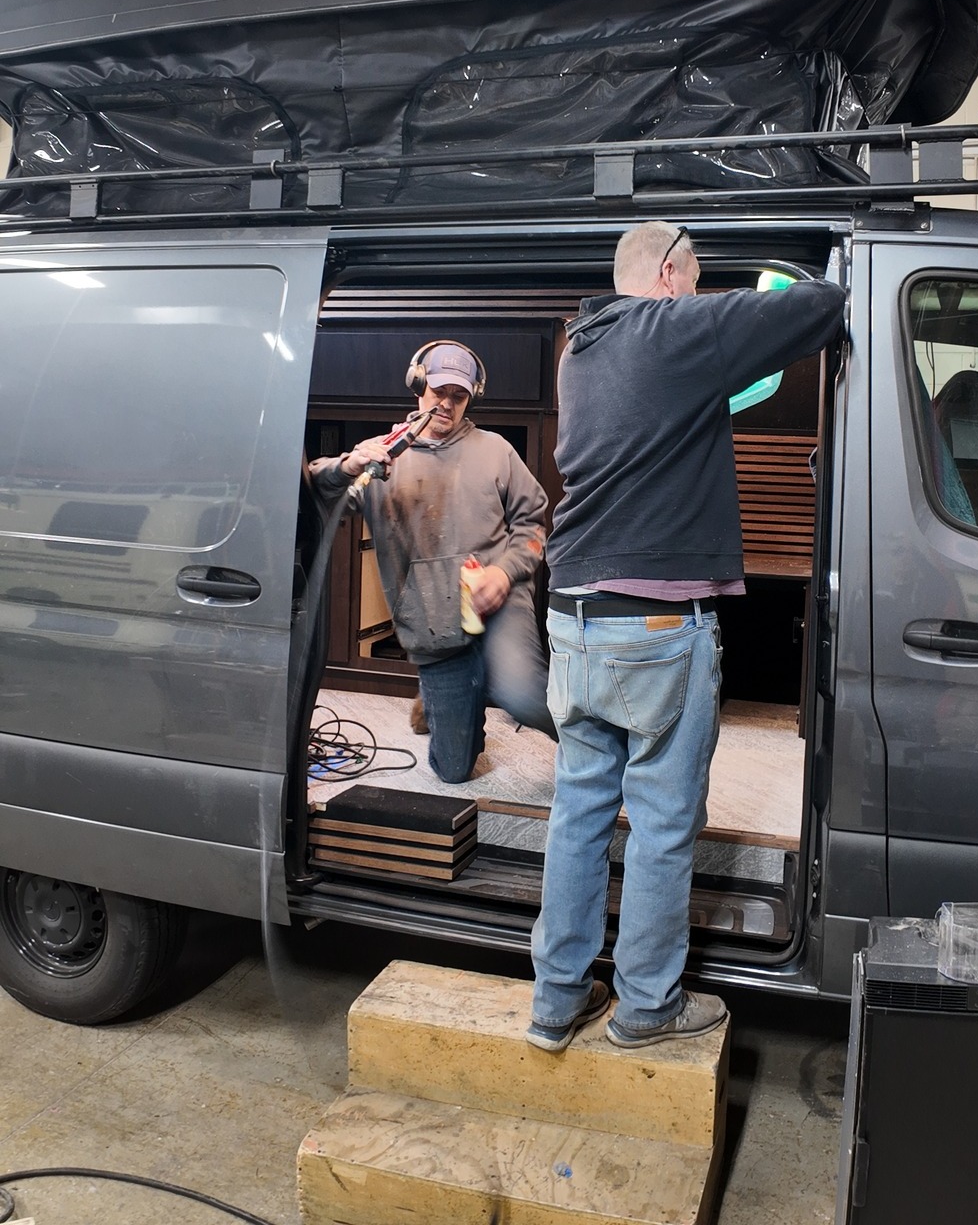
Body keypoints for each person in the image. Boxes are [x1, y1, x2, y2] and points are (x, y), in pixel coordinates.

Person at [527, 221, 846, 1052]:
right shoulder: (672, 328)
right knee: (663, 823)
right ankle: (645, 1008)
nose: (700, 294)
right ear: (670, 274)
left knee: (579, 813)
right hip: (657, 624)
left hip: (574, 614)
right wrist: (824, 264)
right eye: (697, 280)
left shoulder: (580, 349)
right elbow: (819, 307)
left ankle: (557, 1001)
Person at [309, 340, 555, 783]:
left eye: (459, 395)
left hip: (497, 604)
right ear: (418, 386)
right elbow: (313, 494)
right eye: (439, 391)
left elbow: (534, 525)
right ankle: (449, 692)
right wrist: (347, 465)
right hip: (432, 618)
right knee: (453, 770)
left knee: (523, 696)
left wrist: (505, 572)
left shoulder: (496, 450)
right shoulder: (382, 458)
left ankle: (607, 756)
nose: (447, 403)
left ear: (471, 397)